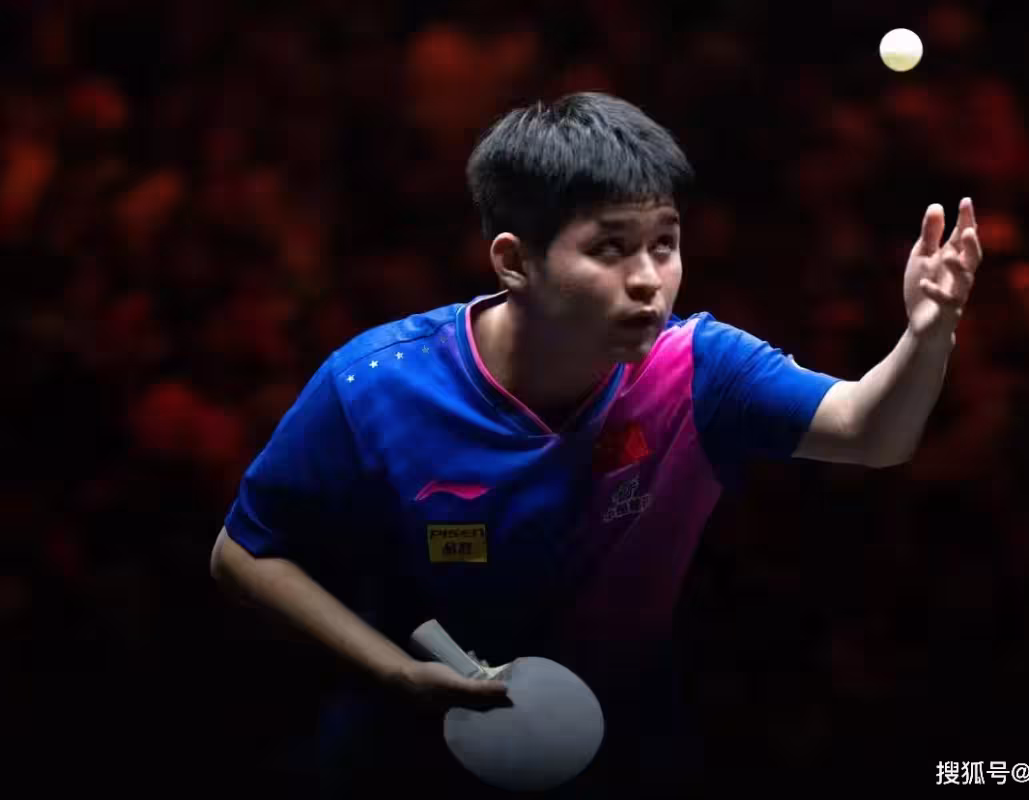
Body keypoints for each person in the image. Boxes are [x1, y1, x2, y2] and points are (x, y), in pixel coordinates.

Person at [209, 91, 982, 796]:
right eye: (610, 249)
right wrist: (395, 672)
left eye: (664, 244)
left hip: (626, 755)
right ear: (515, 261)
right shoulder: (376, 383)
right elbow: (243, 553)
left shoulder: (698, 370)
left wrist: (928, 333)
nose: (649, 279)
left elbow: (872, 433)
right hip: (407, 760)